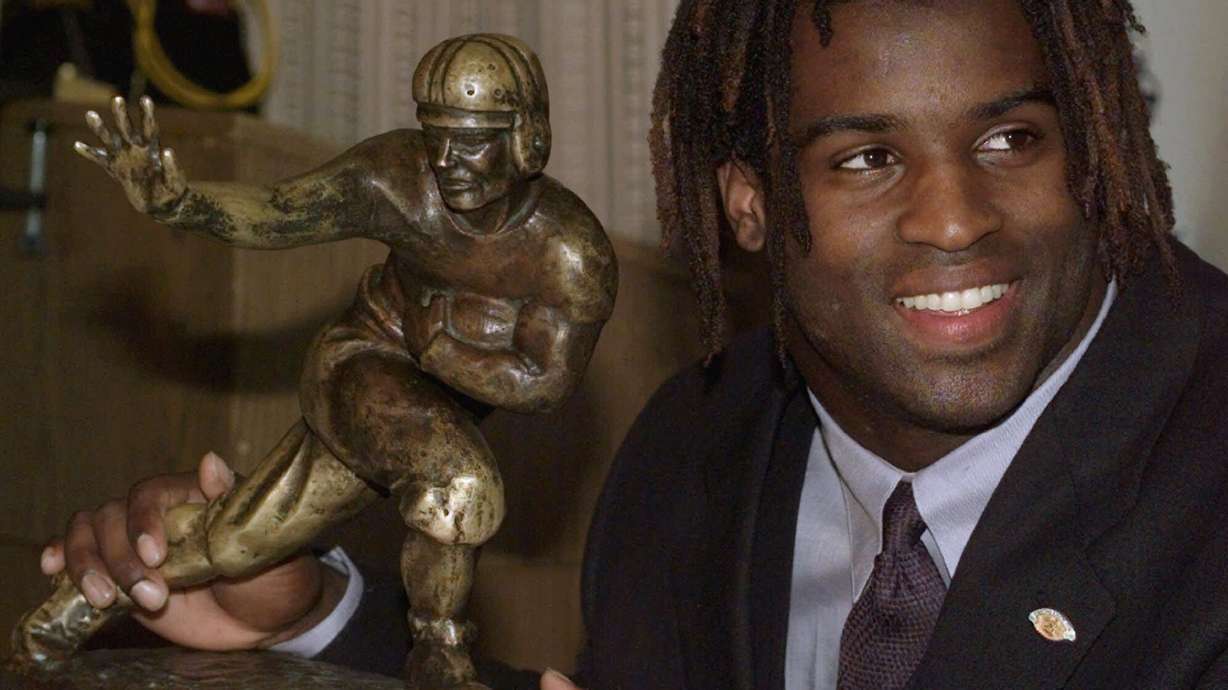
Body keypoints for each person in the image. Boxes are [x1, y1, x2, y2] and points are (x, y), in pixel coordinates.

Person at [31, 0, 1228, 689]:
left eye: (1013, 139)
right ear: (748, 205)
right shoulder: (693, 449)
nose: (956, 216)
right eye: (864, 157)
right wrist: (303, 622)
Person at [17, 33, 616, 690]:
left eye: (472, 140)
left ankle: (72, 604)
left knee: (244, 543)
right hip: (360, 363)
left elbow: (544, 383)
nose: (447, 160)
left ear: (526, 138)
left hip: (424, 400)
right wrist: (183, 202)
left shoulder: (569, 255)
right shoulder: (397, 179)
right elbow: (281, 212)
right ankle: (438, 654)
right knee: (463, 482)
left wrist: (442, 349)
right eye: (434, 134)